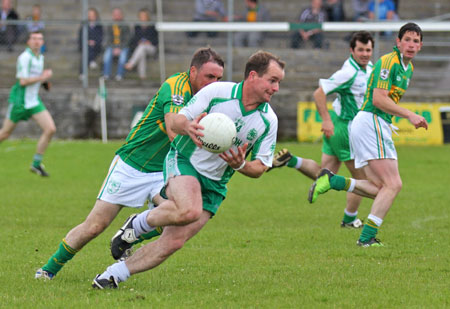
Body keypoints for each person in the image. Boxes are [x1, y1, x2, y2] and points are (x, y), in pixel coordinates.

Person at [91, 50, 285, 289]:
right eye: (273, 81)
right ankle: (139, 224)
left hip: (215, 184)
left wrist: (241, 164)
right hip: (184, 160)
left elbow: (261, 167)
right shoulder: (216, 93)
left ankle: (112, 276)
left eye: (279, 83)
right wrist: (189, 127)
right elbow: (176, 121)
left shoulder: (269, 121)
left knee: (174, 242)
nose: (276, 88)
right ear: (253, 76)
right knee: (190, 210)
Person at [34, 47, 225, 280]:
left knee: (180, 214)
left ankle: (130, 233)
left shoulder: (212, 97)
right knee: (95, 225)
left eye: (218, 79)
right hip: (132, 164)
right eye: (209, 77)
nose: (214, 83)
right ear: (193, 71)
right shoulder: (176, 86)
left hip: (164, 169)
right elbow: (174, 128)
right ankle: (48, 269)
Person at [308, 23, 428, 247]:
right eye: (407, 40)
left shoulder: (407, 68)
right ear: (398, 42)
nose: (411, 45)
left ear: (421, 46)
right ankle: (366, 238)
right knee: (394, 185)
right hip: (371, 122)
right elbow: (378, 99)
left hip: (371, 124)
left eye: (416, 41)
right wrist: (409, 114)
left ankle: (333, 181)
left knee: (380, 187)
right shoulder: (388, 62)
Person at [270, 31, 375, 229]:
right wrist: (326, 120)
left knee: (324, 174)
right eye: (360, 50)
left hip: (340, 126)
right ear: (352, 50)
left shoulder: (369, 68)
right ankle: (350, 219)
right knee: (361, 179)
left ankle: (291, 160)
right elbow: (319, 93)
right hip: (344, 128)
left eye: (368, 50)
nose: (365, 53)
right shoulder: (348, 73)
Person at [0, 31, 55, 177]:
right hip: (20, 101)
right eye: (34, 38)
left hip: (34, 101)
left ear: (42, 42)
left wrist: (45, 83)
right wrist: (42, 77)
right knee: (4, 134)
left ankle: (36, 164)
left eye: (40, 39)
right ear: (28, 42)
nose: (37, 41)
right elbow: (23, 81)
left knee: (50, 129)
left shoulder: (40, 58)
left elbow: (37, 79)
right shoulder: (24, 58)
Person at [124, 8, 158, 80]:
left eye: (144, 16)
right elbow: (134, 39)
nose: (143, 17)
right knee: (142, 51)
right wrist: (138, 42)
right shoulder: (137, 27)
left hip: (151, 47)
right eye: (141, 16)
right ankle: (142, 76)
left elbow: (156, 40)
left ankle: (131, 63)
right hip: (141, 48)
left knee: (142, 47)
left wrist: (149, 42)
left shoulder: (152, 26)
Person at [102, 8, 131, 81]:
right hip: (112, 47)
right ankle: (106, 74)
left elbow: (127, 39)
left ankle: (120, 75)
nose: (117, 16)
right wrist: (114, 48)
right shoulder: (110, 26)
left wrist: (119, 48)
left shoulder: (125, 26)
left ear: (121, 15)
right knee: (107, 55)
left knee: (123, 57)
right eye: (115, 15)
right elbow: (108, 39)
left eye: (118, 14)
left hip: (123, 47)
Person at [78, 7, 103, 73]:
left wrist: (95, 42)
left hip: (96, 46)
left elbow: (100, 37)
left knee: (89, 49)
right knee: (87, 49)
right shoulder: (84, 25)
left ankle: (82, 72)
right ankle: (91, 61)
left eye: (93, 15)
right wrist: (87, 41)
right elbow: (81, 37)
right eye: (90, 15)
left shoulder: (99, 25)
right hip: (85, 45)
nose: (91, 17)